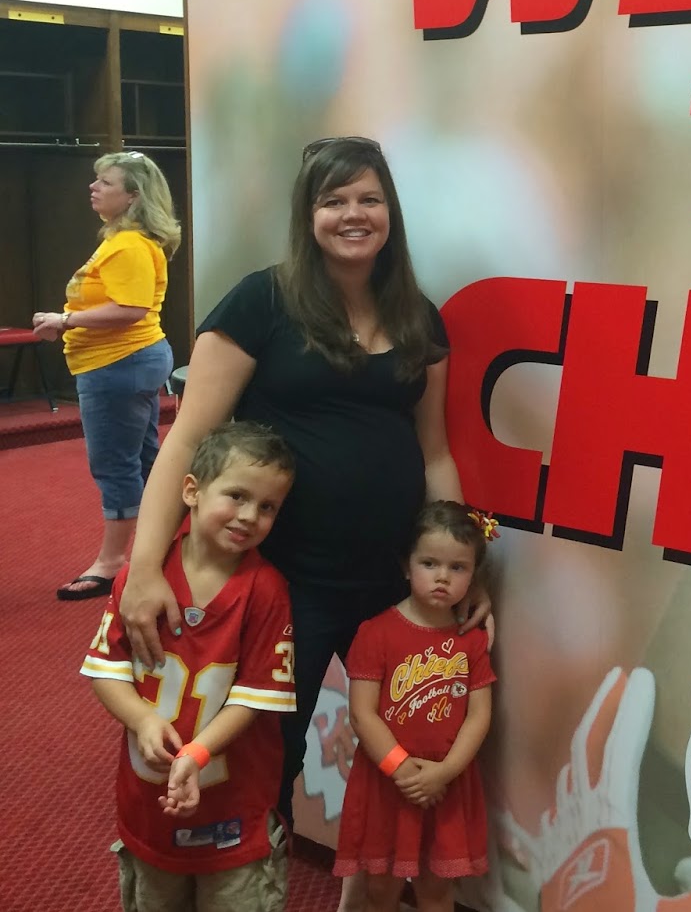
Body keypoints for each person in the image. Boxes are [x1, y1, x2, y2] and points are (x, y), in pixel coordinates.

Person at [116, 136, 486, 910]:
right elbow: (186, 440)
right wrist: (144, 566)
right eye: (334, 200)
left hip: (392, 583)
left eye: (369, 199)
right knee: (261, 755)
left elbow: (435, 453)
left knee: (411, 748)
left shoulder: (417, 316)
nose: (354, 214)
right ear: (307, 213)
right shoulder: (263, 302)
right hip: (286, 584)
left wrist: (462, 568)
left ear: (390, 211)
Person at [81, 421, 298, 912]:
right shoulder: (142, 582)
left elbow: (255, 697)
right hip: (150, 805)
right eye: (237, 496)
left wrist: (198, 753)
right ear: (192, 491)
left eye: (268, 507)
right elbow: (106, 670)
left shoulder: (266, 590)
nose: (250, 516)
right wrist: (142, 719)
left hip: (234, 808)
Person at [32, 150, 182, 601]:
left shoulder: (130, 244)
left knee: (116, 464)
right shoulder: (124, 240)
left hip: (118, 364)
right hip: (125, 362)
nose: (93, 187)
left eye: (106, 182)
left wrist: (65, 320)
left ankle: (113, 562)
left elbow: (130, 309)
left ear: (133, 196)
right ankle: (174, 548)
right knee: (145, 461)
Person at [335, 500, 495, 911]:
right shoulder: (375, 633)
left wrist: (444, 772)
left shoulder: (471, 639)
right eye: (429, 563)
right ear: (406, 566)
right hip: (388, 783)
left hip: (445, 786)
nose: (442, 577)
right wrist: (402, 769)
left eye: (457, 567)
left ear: (474, 575)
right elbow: (362, 714)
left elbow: (479, 715)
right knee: (381, 889)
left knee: (436, 890)